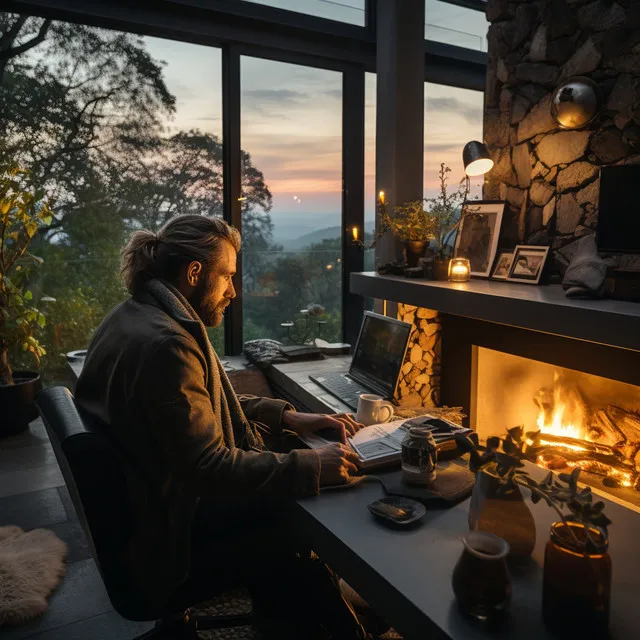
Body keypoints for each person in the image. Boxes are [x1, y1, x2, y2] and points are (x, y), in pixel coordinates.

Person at [75, 214, 369, 639]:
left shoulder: (136, 316)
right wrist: (311, 465)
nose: (234, 291)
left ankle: (287, 620)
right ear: (194, 273)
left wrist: (284, 415)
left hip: (143, 512)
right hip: (167, 542)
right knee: (299, 523)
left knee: (288, 498)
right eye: (227, 276)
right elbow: (208, 468)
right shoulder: (168, 344)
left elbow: (194, 402)